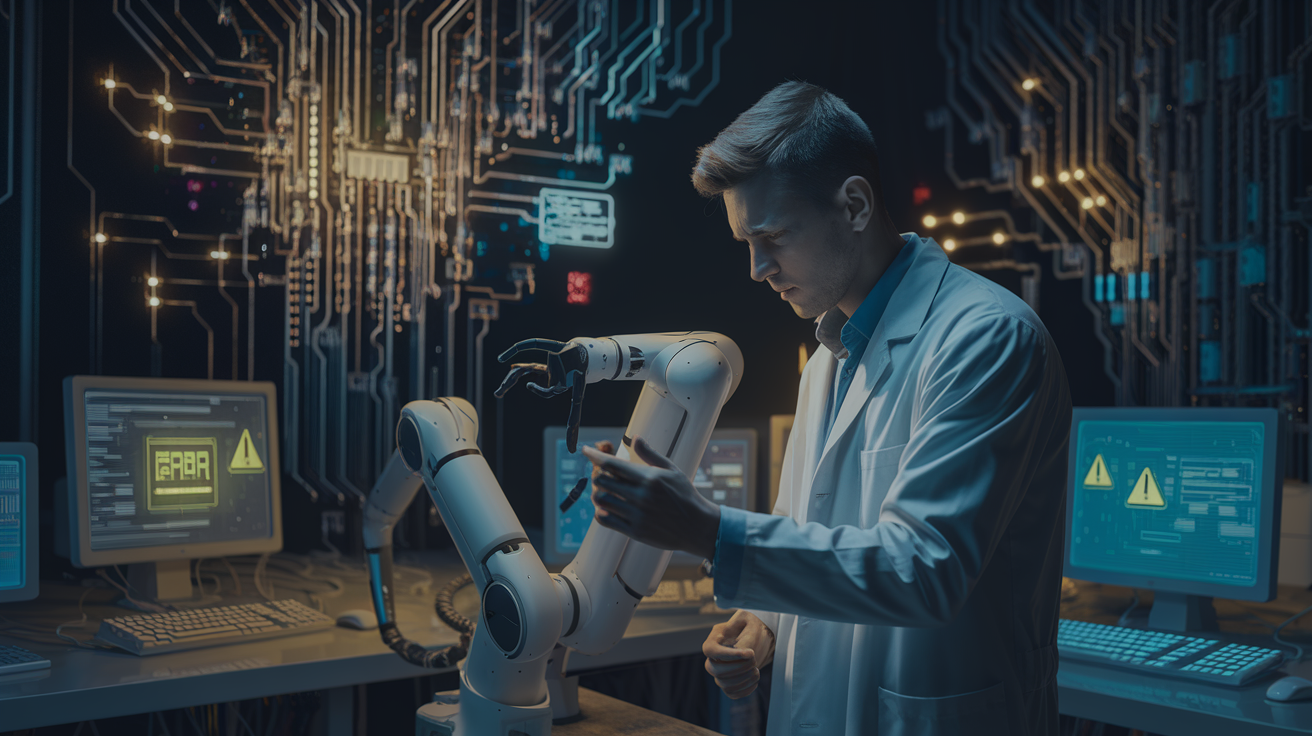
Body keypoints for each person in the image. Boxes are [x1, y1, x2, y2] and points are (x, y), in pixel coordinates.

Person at [581, 80, 1072, 736]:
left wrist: (706, 530)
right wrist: (762, 627)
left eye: (774, 236)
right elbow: (810, 534)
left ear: (856, 205)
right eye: (744, 244)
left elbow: (924, 570)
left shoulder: (986, 339)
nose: (757, 268)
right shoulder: (825, 363)